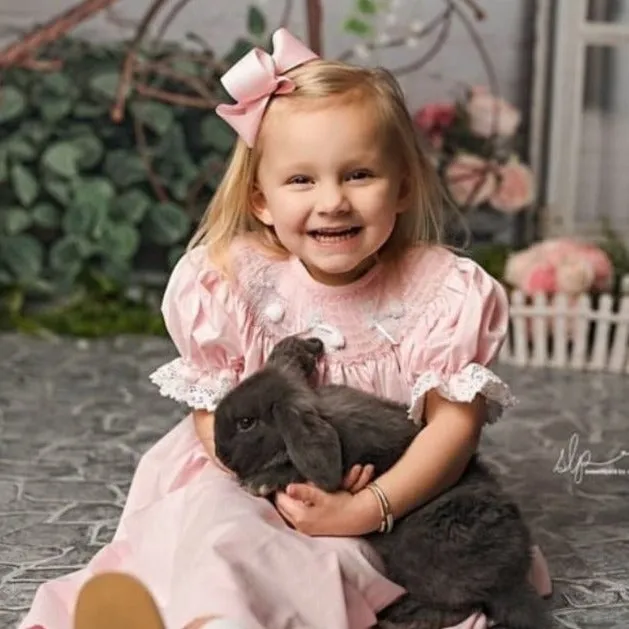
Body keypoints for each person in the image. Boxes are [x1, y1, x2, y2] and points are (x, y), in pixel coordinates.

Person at [20, 27, 551, 629]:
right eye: (302, 179)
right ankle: (152, 614)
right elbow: (213, 413)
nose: (333, 202)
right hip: (248, 478)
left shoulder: (440, 291)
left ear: (403, 185)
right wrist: (274, 483)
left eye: (358, 175)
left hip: (381, 494)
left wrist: (364, 508)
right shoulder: (232, 281)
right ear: (262, 201)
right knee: (219, 533)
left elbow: (452, 432)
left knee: (312, 565)